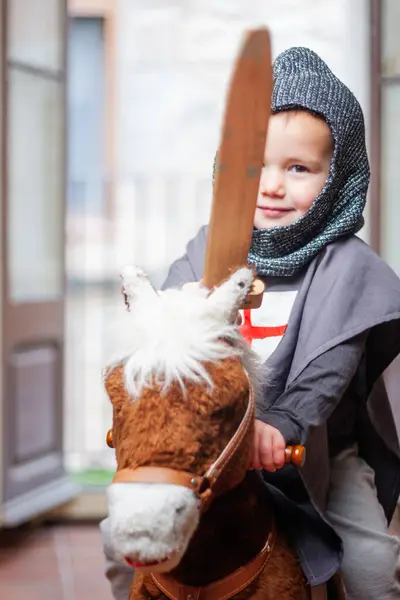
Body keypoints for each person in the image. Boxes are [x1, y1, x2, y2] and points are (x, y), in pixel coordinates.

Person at [100, 47, 400, 600]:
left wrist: (280, 425)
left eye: (299, 169)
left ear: (340, 177)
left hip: (315, 453)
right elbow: (170, 349)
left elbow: (325, 374)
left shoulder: (351, 270)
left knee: (371, 567)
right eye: (255, 165)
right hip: (213, 445)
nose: (272, 186)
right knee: (122, 551)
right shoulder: (205, 254)